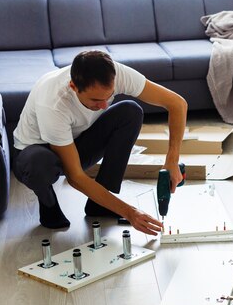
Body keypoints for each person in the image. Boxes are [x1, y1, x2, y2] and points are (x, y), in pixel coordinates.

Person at [12, 50, 187, 235]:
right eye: (95, 100)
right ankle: (48, 203)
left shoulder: (116, 74)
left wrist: (172, 160)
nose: (104, 106)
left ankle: (99, 204)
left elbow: (177, 103)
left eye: (108, 96)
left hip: (75, 141)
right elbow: (76, 176)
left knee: (130, 112)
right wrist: (130, 212)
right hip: (33, 153)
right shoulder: (53, 102)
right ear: (73, 86)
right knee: (39, 163)